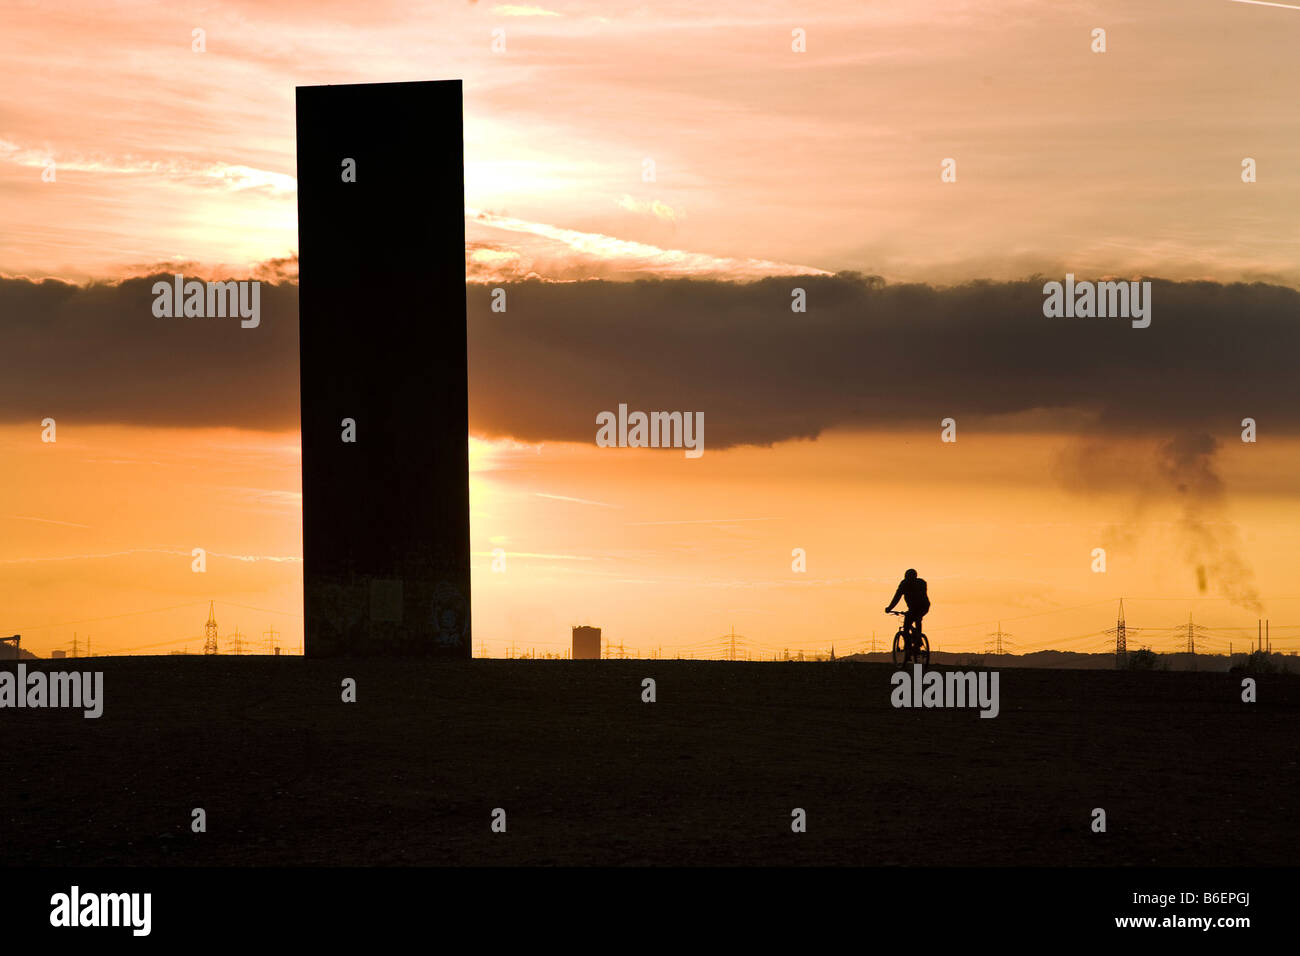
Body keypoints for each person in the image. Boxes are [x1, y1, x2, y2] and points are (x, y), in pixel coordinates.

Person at [885, 568, 930, 641]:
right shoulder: (906, 584)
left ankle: (918, 640)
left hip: (922, 607)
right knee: (907, 626)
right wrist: (890, 607)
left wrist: (889, 608)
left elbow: (897, 597)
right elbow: (897, 597)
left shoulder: (920, 583)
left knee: (917, 619)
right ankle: (909, 644)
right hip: (915, 608)